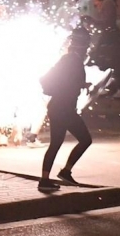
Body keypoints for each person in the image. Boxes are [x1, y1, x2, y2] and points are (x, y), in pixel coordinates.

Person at [37, 27, 93, 191]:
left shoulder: (68, 59)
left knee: (55, 144)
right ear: (82, 46)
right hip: (64, 108)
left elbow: (65, 80)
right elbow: (68, 82)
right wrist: (81, 85)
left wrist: (82, 85)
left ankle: (45, 179)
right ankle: (65, 172)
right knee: (85, 140)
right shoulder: (72, 60)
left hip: (57, 107)